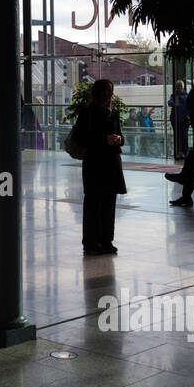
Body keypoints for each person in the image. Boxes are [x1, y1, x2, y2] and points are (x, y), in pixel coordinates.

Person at [74, 79, 126, 256]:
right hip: (95, 163)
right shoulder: (87, 112)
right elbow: (80, 138)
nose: (111, 95)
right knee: (94, 203)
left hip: (110, 163)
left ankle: (106, 240)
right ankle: (91, 241)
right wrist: (105, 140)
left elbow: (121, 135)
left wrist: (119, 139)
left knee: (108, 204)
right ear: (100, 93)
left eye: (111, 91)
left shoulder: (114, 113)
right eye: (108, 91)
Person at [167, 80, 189, 159]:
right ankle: (182, 152)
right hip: (181, 119)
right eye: (178, 86)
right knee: (182, 136)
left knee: (181, 136)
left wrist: (173, 103)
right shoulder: (185, 95)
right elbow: (170, 102)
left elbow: (170, 102)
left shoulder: (177, 95)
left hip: (180, 119)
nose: (179, 88)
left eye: (180, 86)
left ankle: (182, 152)